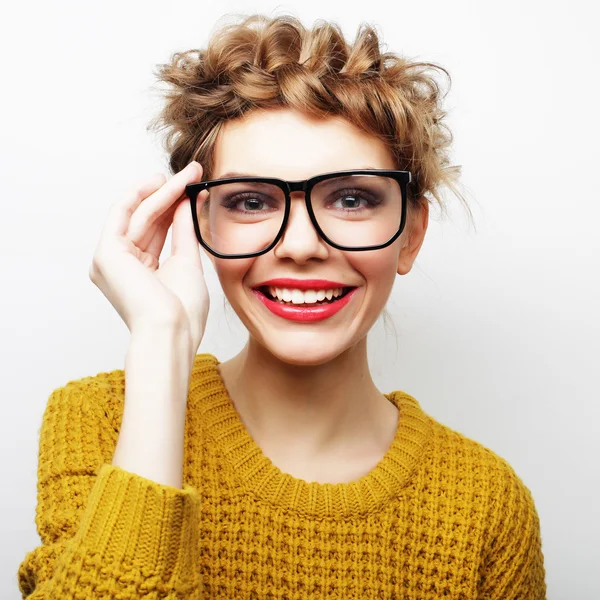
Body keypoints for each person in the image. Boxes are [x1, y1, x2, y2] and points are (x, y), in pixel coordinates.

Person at [18, 13, 546, 599]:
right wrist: (161, 346)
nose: (300, 246)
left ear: (411, 234)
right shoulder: (100, 420)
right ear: (196, 224)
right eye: (250, 201)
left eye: (351, 198)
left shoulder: (486, 503)